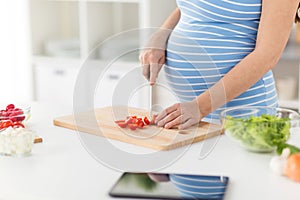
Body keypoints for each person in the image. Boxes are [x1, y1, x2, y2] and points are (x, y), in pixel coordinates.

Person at [139, 0, 300, 130]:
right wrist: (162, 33)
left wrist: (200, 107)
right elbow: (199, 6)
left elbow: (267, 55)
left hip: (242, 114)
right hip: (188, 110)